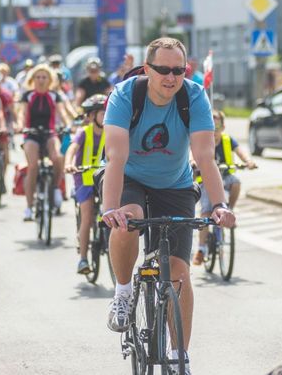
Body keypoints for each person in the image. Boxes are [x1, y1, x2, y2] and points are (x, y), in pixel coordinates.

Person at [100, 37, 235, 374]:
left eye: (179, 70)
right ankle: (123, 291)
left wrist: (219, 204)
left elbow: (205, 156)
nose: (171, 78)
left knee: (178, 272)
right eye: (163, 70)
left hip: (174, 183)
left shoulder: (193, 96)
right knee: (128, 218)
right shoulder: (125, 95)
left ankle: (179, 356)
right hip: (128, 177)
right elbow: (115, 158)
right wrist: (110, 209)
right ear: (147, 69)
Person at [192, 109, 257, 265]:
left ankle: (229, 211)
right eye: (211, 127)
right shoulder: (202, 140)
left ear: (223, 127)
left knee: (236, 182)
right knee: (206, 212)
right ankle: (201, 249)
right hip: (207, 181)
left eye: (218, 127)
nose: (214, 131)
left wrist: (248, 161)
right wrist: (193, 162)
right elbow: (191, 154)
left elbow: (241, 151)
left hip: (226, 177)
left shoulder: (228, 140)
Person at [18, 64, 72, 221]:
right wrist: (20, 126)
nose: (41, 80)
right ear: (32, 79)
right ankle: (29, 207)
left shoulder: (55, 96)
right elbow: (22, 113)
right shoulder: (28, 95)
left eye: (44, 77)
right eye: (38, 77)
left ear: (50, 80)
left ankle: (55, 188)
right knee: (32, 166)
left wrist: (68, 125)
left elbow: (63, 113)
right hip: (31, 134)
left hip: (49, 133)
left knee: (58, 158)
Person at [64, 94, 106, 275]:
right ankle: (83, 259)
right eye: (102, 113)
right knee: (87, 216)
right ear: (91, 116)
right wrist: (68, 163)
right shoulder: (84, 132)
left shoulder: (111, 131)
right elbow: (72, 149)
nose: (106, 116)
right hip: (84, 179)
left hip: (103, 178)